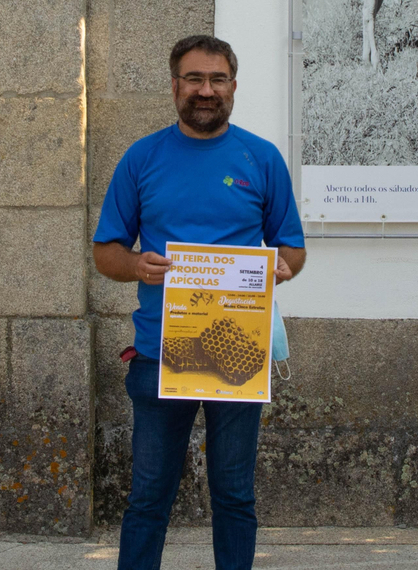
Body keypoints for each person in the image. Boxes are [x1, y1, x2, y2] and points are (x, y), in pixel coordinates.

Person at [93, 35, 307, 570]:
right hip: (158, 354)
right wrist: (137, 264)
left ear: (233, 87)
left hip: (237, 353)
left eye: (216, 80)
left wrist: (279, 269)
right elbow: (105, 252)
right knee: (148, 499)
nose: (204, 90)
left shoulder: (261, 158)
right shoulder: (142, 158)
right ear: (174, 86)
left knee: (234, 497)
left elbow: (293, 249)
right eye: (194, 79)